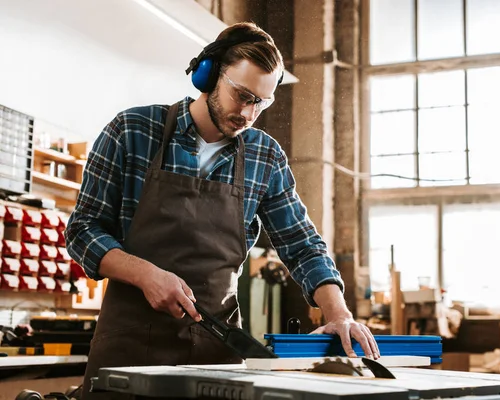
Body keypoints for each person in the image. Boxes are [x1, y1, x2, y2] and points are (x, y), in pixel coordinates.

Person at [65, 21, 379, 399]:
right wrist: (145, 274)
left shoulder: (265, 156)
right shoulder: (132, 130)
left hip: (217, 356)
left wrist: (338, 313)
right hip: (129, 352)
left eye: (261, 103)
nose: (248, 114)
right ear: (209, 75)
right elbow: (82, 231)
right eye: (242, 95)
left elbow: (302, 243)